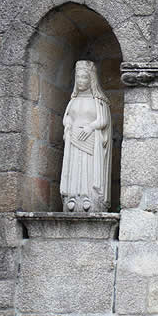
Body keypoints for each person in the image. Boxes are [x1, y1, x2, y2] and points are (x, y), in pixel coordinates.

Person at [61, 60, 112, 212]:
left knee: (88, 169)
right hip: (74, 140)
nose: (81, 81)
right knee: (74, 169)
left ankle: (90, 199)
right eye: (78, 78)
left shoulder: (99, 101)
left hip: (91, 142)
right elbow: (67, 116)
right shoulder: (73, 101)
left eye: (84, 77)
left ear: (91, 80)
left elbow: (103, 120)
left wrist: (90, 127)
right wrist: (68, 124)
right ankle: (72, 198)